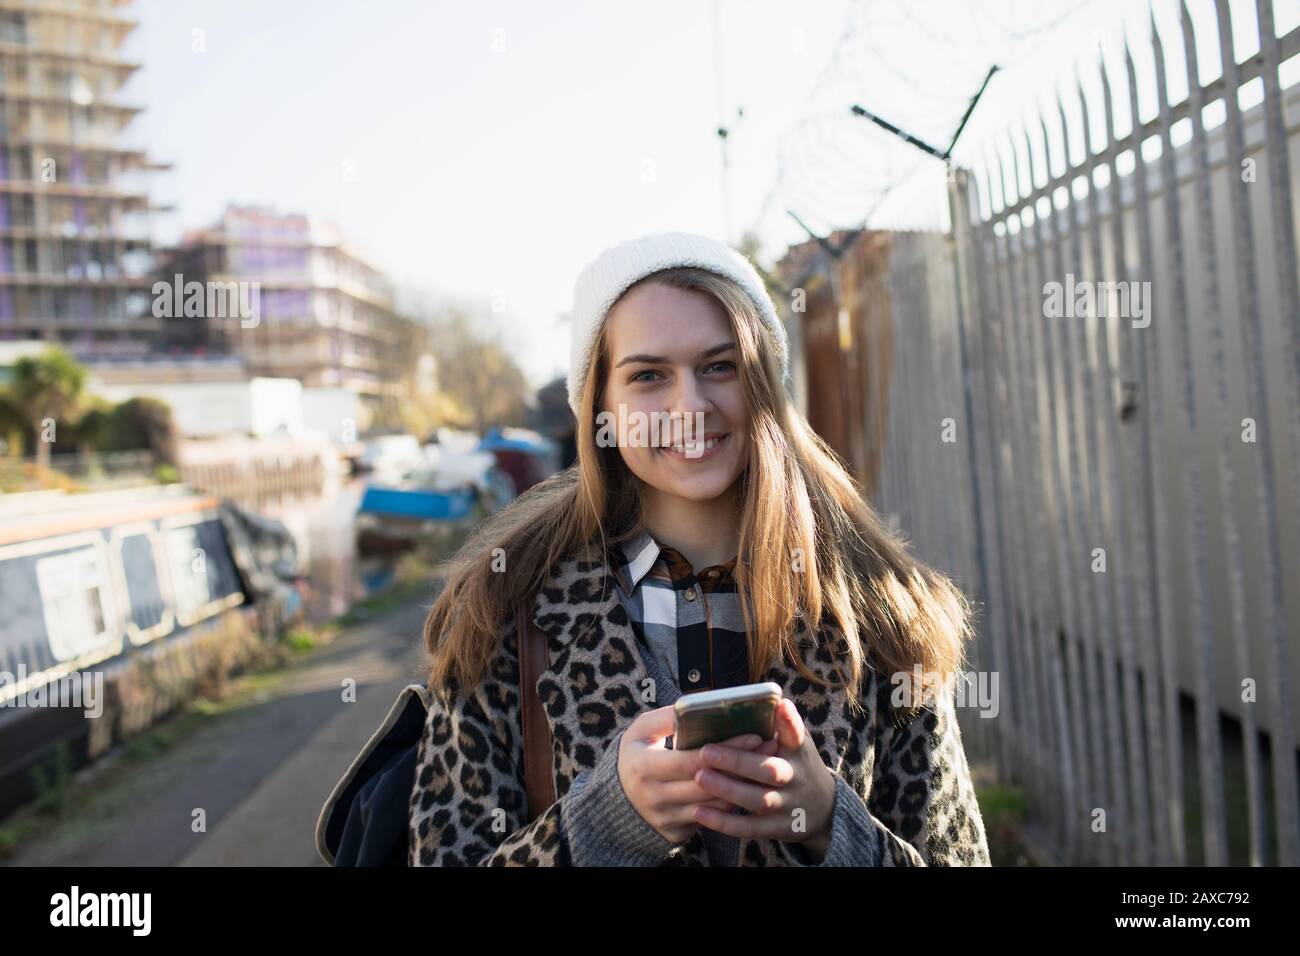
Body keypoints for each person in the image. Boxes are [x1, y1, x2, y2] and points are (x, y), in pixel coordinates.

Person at [405, 231, 991, 866]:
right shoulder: (504, 607)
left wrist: (827, 821)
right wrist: (600, 826)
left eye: (719, 366)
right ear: (600, 404)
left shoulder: (879, 606)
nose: (689, 406)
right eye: (649, 375)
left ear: (763, 383)